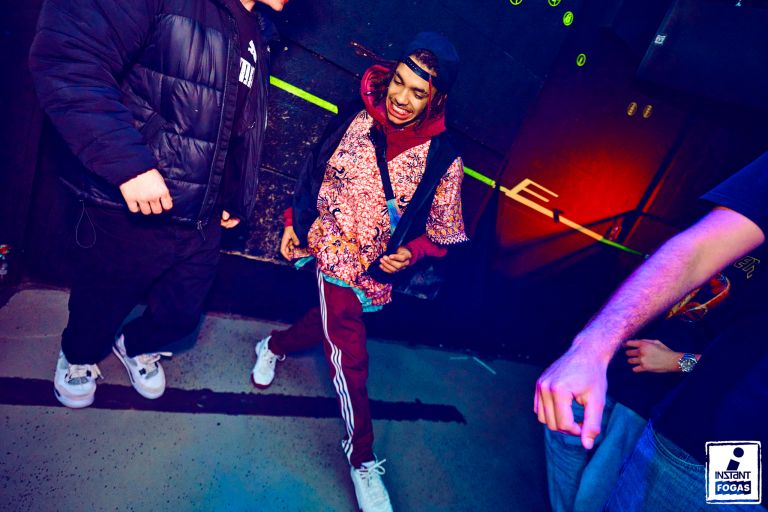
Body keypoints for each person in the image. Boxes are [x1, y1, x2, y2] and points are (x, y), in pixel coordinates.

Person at [29, 0, 288, 408]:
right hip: (139, 203)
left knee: (182, 312)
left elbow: (237, 129)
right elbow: (68, 56)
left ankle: (135, 344)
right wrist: (128, 165)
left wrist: (235, 195)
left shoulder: (258, 34)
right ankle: (78, 356)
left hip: (203, 214)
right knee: (102, 299)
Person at [250, 32, 467, 512]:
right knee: (349, 354)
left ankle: (274, 346)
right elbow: (314, 170)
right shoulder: (356, 114)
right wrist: (291, 222)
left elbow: (442, 234)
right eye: (399, 81)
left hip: (373, 271)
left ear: (436, 100)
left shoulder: (444, 158)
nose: (401, 97)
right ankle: (362, 458)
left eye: (417, 92)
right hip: (330, 249)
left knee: (330, 324)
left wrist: (410, 254)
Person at [535, 150, 768, 510]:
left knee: (598, 490)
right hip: (632, 370)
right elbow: (694, 254)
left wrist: (678, 362)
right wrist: (595, 347)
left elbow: (735, 360)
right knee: (566, 440)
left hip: (673, 405)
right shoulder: (740, 224)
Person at [543, 264, 759, 511]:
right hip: (618, 364)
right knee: (562, 434)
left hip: (657, 398)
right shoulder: (731, 240)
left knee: (599, 489)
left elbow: (743, 368)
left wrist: (676, 361)